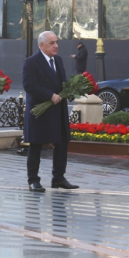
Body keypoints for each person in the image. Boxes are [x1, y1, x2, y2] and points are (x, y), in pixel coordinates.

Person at [22, 31, 79, 192]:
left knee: (61, 143)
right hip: (40, 111)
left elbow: (61, 82)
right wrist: (50, 95)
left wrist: (69, 90)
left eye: (56, 42)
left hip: (57, 109)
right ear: (41, 45)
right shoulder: (31, 62)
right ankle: (33, 180)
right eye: (52, 43)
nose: (56, 46)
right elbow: (29, 85)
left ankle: (58, 178)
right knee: (36, 145)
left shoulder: (58, 60)